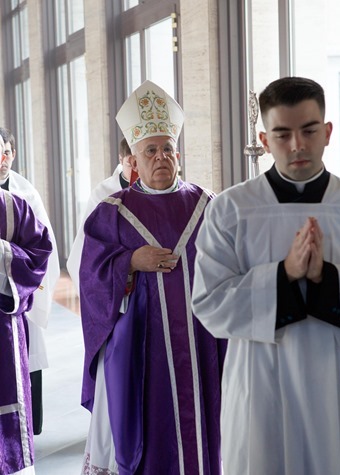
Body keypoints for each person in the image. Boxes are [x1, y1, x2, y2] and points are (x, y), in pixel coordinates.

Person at [192, 76, 340, 475]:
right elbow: (208, 302)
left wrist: (327, 278)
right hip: (260, 382)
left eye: (309, 131)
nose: (297, 145)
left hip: (335, 380)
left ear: (327, 132)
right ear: (263, 138)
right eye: (282, 133)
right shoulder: (231, 209)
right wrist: (284, 274)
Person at [79, 80, 226, 474]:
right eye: (150, 151)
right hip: (144, 346)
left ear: (177, 154)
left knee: (205, 425)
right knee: (154, 427)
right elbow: (91, 279)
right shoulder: (112, 212)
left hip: (202, 341)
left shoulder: (208, 204)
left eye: (167, 149)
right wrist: (129, 261)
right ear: (134, 162)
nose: (161, 157)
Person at [0, 127, 60, 435]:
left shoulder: (24, 195)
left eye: (6, 153)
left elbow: (42, 246)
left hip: (16, 293)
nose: (3, 160)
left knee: (23, 359)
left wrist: (23, 275)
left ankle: (26, 427)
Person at [67, 137, 132, 294]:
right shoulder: (103, 193)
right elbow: (91, 242)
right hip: (116, 270)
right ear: (121, 159)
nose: (136, 170)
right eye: (130, 164)